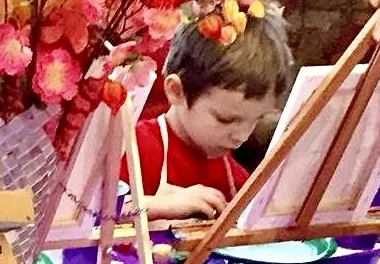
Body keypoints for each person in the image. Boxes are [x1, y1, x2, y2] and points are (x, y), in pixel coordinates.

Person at [125, 18, 294, 226]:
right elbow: (92, 214)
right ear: (177, 91)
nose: (241, 137)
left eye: (255, 121)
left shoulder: (235, 178)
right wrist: (157, 206)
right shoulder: (135, 148)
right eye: (226, 119)